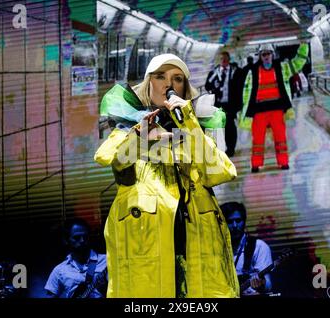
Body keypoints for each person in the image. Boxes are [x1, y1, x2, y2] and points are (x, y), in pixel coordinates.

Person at [95, 53, 239, 298]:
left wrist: (190, 125)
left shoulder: (200, 127)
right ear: (148, 83)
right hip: (145, 243)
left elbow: (219, 172)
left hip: (196, 240)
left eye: (177, 78)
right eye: (160, 76)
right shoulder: (127, 126)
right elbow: (116, 160)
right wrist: (141, 136)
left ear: (184, 88)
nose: (168, 84)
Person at [239, 42, 309, 173]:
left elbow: (298, 62)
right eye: (263, 54)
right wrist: (245, 110)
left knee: (280, 137)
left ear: (272, 55)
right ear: (260, 56)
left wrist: (304, 44)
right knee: (258, 139)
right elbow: (246, 93)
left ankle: (283, 162)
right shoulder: (252, 72)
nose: (266, 57)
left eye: (268, 54)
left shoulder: (282, 68)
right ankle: (256, 164)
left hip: (277, 109)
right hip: (259, 111)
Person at [44, 218, 107, 298]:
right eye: (77, 237)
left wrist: (104, 289)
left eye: (85, 237)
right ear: (66, 240)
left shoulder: (107, 261)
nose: (82, 240)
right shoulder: (59, 270)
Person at [220, 202, 272, 296]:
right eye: (230, 222)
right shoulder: (215, 250)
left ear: (244, 221)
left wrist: (262, 284)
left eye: (238, 220)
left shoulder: (258, 246)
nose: (235, 226)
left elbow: (268, 285)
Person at [205, 51, 245, 157]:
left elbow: (241, 86)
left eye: (225, 59)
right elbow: (207, 86)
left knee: (230, 125)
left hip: (231, 104)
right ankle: (224, 146)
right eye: (221, 59)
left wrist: (239, 102)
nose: (223, 61)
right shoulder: (214, 72)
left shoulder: (235, 71)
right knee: (221, 126)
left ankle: (231, 148)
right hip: (219, 104)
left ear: (229, 59)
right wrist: (215, 88)